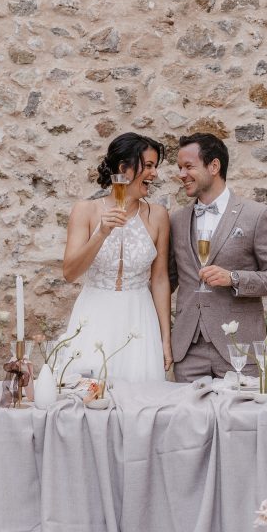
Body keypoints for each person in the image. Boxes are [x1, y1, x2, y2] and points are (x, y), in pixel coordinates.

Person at [168, 132, 267, 382]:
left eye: (188, 166)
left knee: (242, 421)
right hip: (187, 351)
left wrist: (233, 278)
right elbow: (167, 280)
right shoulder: (177, 221)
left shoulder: (256, 215)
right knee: (187, 421)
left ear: (214, 166)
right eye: (180, 167)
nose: (181, 174)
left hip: (239, 350)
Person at [60, 132, 172, 382]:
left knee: (140, 398)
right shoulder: (85, 211)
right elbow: (69, 272)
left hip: (140, 318)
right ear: (124, 168)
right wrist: (101, 233)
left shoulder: (159, 216)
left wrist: (165, 339)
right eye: (150, 166)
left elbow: (160, 279)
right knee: (88, 397)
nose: (155, 174)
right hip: (94, 315)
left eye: (156, 167)